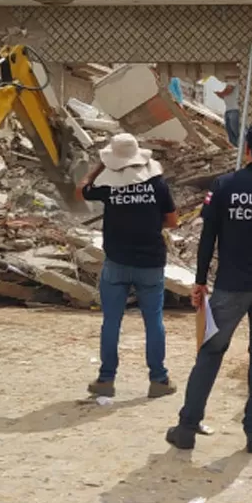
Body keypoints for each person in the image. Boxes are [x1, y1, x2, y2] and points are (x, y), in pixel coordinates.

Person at [166, 123, 252, 453]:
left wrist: (199, 281)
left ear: (248, 150)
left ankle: (186, 428)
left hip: (231, 286)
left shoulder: (224, 186)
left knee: (211, 353)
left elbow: (207, 237)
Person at [77, 133, 179, 399]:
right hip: (150, 262)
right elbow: (172, 221)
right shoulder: (157, 184)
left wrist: (101, 164)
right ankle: (159, 379)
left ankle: (106, 379)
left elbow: (82, 188)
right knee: (153, 321)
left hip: (117, 262)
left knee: (111, 322)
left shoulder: (109, 186)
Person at [215, 77, 241, 146]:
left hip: (235, 109)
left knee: (235, 132)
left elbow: (229, 90)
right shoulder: (229, 82)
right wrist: (221, 95)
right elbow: (227, 95)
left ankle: (240, 149)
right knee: (230, 133)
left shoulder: (233, 79)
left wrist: (221, 94)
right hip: (229, 109)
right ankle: (237, 148)